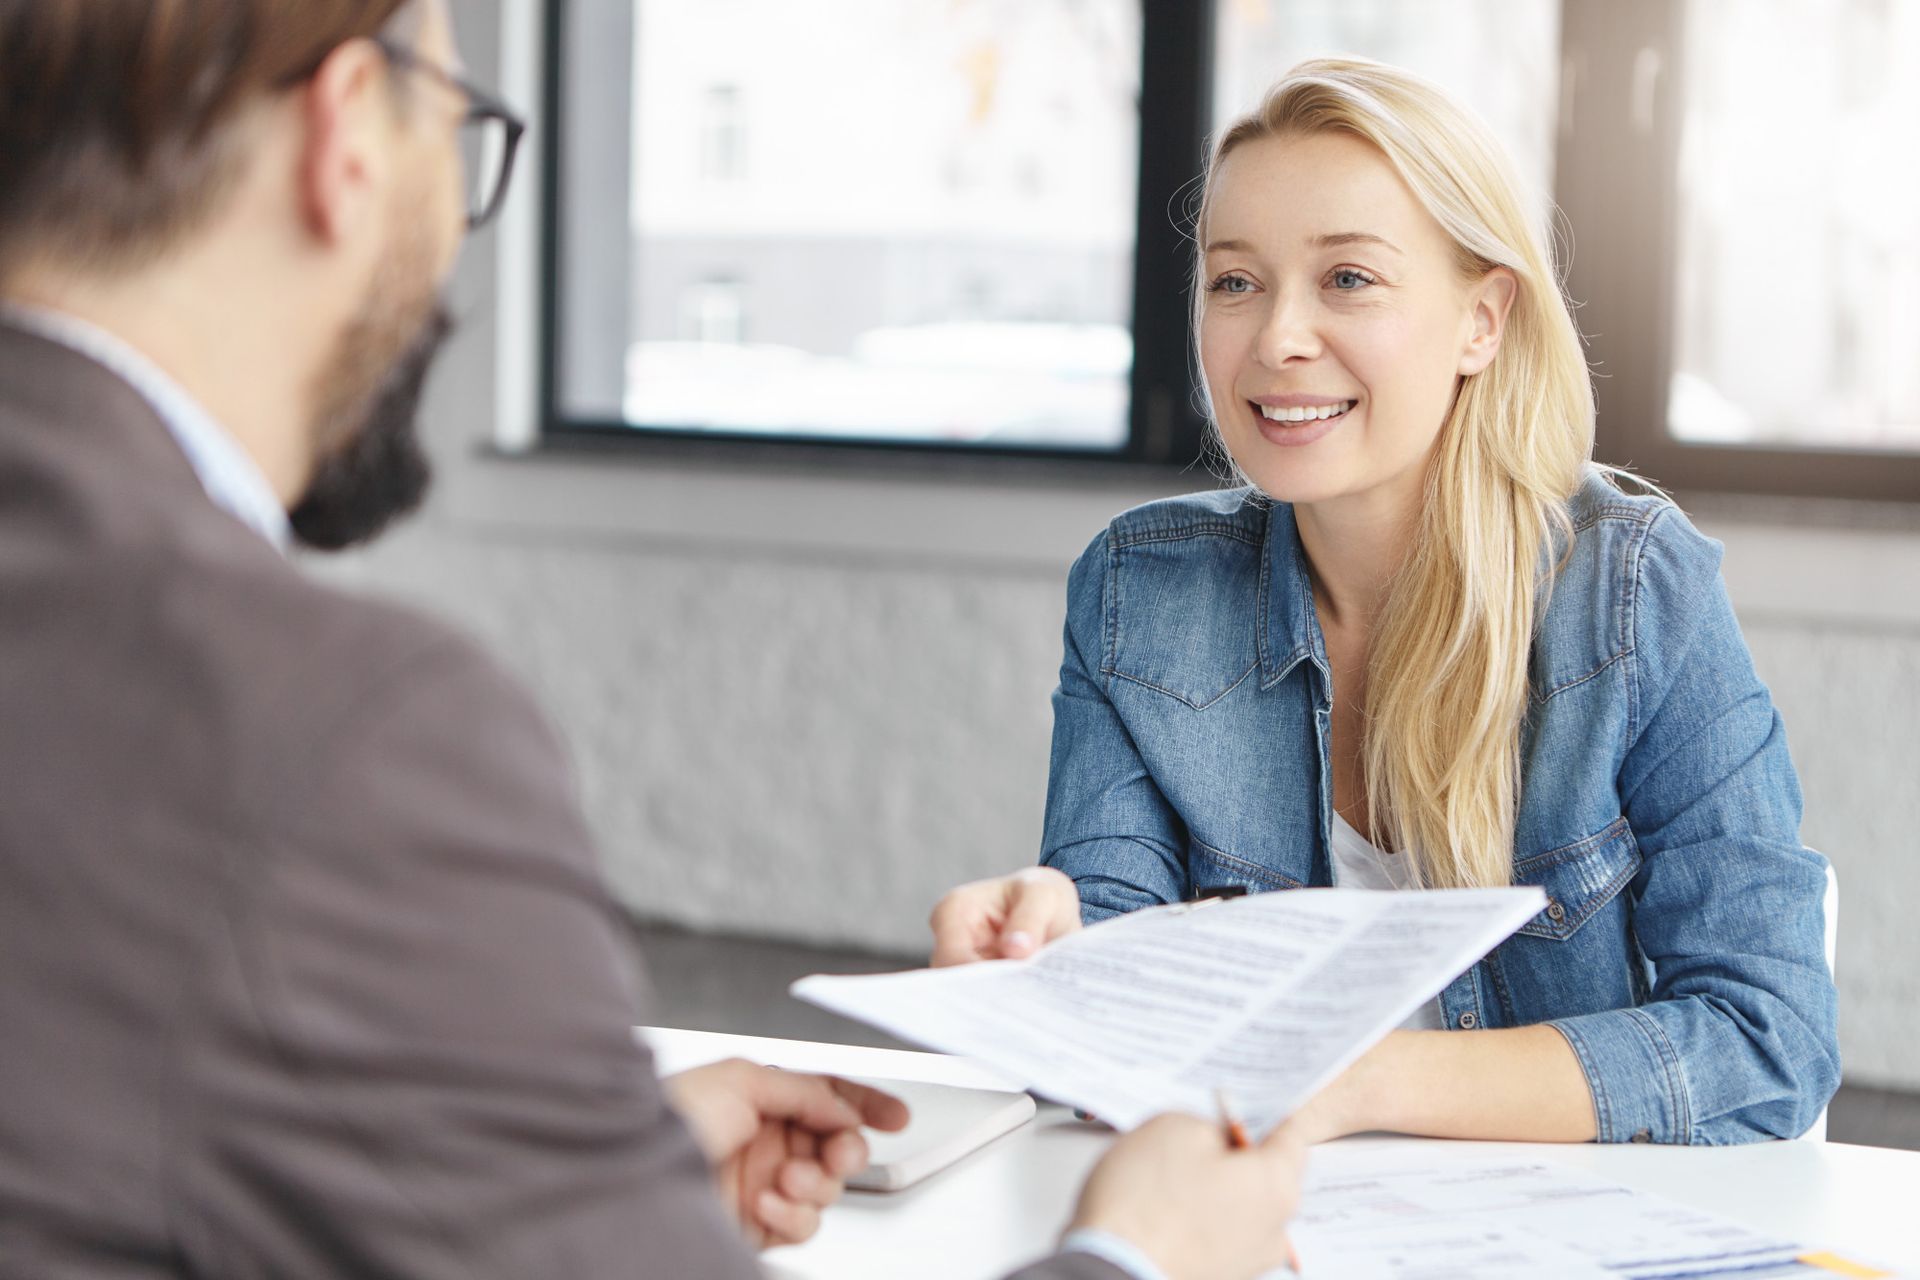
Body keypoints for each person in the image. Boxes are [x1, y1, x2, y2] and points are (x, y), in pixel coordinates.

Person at [0, 3, 1303, 1278]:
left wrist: (543, 1168)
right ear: (346, 135)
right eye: (460, 134)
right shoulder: (332, 732)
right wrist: (1141, 1255)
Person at [931, 58, 1840, 1147]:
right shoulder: (1139, 590)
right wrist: (1045, 954)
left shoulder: (1636, 589)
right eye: (1235, 281)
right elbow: (1117, 1020)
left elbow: (1768, 1038)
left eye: (1349, 279)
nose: (1276, 339)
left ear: (1482, 321)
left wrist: (1356, 1078)